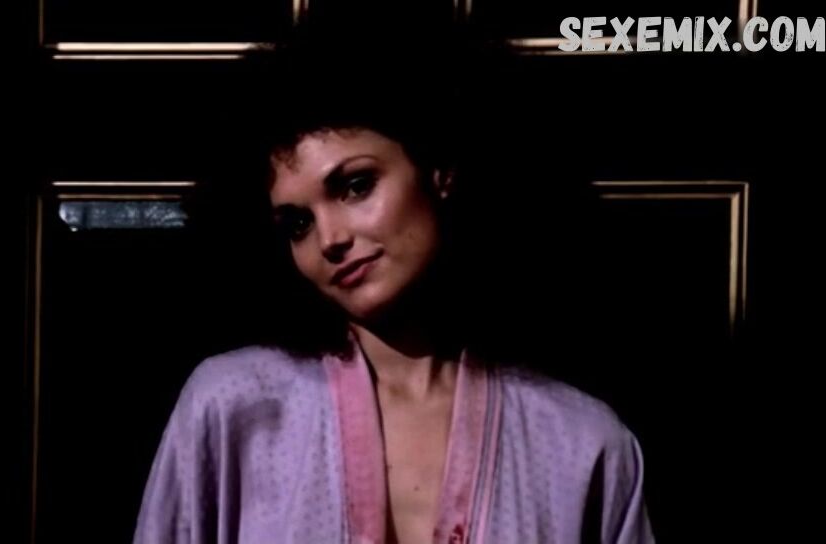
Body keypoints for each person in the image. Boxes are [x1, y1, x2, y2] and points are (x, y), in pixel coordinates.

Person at [133, 32, 654, 544]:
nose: (329, 239)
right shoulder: (233, 405)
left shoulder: (582, 443)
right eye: (297, 223)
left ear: (440, 169)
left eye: (355, 186)